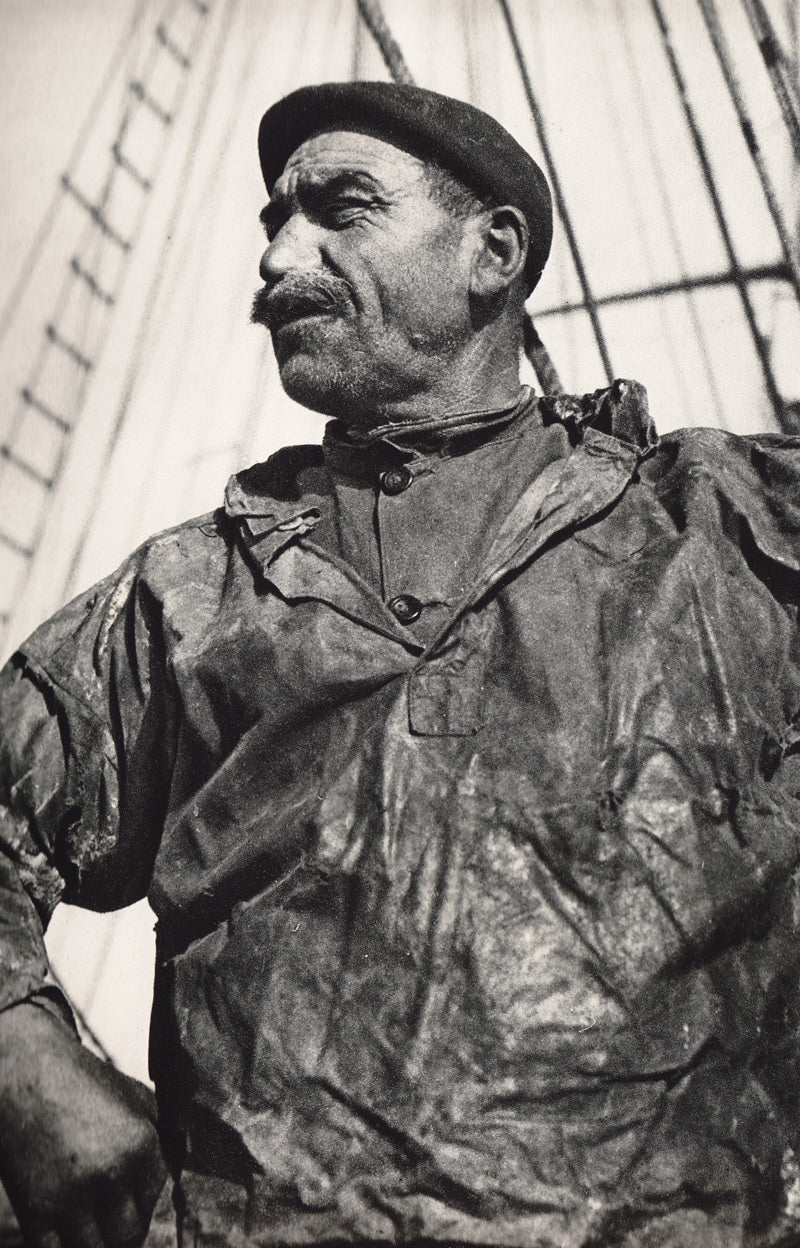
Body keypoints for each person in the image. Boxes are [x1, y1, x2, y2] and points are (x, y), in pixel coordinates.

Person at [1, 79, 800, 1248]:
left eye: (339, 209)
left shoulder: (728, 529)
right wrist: (21, 1057)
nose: (278, 258)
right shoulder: (190, 595)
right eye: (272, 222)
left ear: (493, 250)